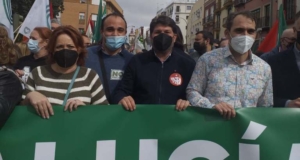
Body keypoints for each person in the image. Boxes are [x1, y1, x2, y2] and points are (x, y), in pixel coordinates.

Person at [186, 11, 273, 119]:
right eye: (239, 30)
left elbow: (266, 107)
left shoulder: (264, 68)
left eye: (250, 31)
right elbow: (192, 92)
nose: (245, 35)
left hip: (246, 133)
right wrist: (211, 106)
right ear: (227, 33)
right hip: (212, 130)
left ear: (256, 35)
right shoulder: (208, 60)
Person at [22, 25, 108, 119]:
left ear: (79, 49)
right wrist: (30, 96)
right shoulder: (37, 73)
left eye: (70, 46)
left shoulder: (90, 76)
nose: (65, 50)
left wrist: (86, 110)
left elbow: (104, 113)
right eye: (59, 47)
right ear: (52, 50)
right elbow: (20, 111)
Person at [112, 15, 196, 111]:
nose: (162, 35)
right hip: (141, 121)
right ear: (151, 36)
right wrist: (122, 98)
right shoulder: (137, 61)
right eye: (158, 32)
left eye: (167, 32)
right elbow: (121, 91)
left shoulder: (188, 64)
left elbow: (195, 94)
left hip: (176, 122)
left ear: (174, 37)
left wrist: (189, 102)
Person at [85, 13, 133, 104]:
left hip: (121, 115)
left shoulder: (132, 60)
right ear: (101, 31)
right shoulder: (86, 55)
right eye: (110, 29)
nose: (115, 34)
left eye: (120, 30)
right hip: (91, 114)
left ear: (125, 33)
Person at [267, 11, 300, 107]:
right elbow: (266, 98)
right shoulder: (274, 61)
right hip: (288, 119)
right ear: (294, 31)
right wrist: (287, 103)